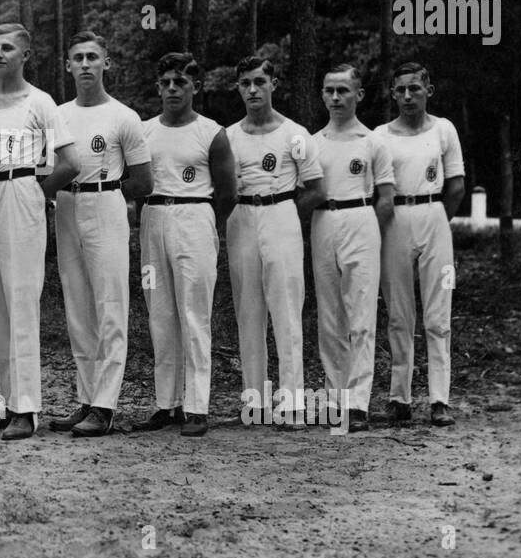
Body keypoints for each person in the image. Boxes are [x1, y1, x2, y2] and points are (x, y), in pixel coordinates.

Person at [0, 23, 79, 441]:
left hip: (21, 191)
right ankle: (10, 401)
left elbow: (69, 163)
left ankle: (27, 409)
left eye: (8, 48)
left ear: (25, 55)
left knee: (22, 300)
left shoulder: (40, 102)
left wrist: (35, 193)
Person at [51, 31, 154, 438]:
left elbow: (143, 180)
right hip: (67, 205)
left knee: (110, 304)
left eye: (94, 56)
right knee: (77, 306)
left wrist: (109, 196)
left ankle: (106, 405)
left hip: (106, 203)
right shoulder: (57, 115)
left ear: (106, 63)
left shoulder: (123, 116)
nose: (86, 64)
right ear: (68, 66)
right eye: (78, 57)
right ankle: (86, 397)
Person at [134, 52, 236, 438]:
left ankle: (197, 405)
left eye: (181, 82)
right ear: (158, 87)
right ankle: (167, 404)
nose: (173, 89)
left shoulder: (212, 132)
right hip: (153, 217)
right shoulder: (143, 131)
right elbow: (137, 180)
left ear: (197, 86)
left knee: (194, 314)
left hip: (195, 217)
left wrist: (204, 224)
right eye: (166, 83)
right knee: (158, 313)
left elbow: (227, 193)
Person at [224, 56, 325, 430]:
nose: (252, 89)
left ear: (273, 85)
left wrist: (284, 214)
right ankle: (255, 402)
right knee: (248, 311)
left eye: (259, 82)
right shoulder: (229, 136)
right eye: (245, 83)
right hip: (241, 217)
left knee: (285, 310)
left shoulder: (295, 134)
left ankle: (293, 402)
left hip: (280, 212)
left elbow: (316, 188)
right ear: (238, 88)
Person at [374, 62, 465, 427]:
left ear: (429, 89)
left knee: (439, 312)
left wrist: (439, 220)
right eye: (400, 90)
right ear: (392, 94)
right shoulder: (380, 135)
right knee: (399, 312)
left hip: (434, 216)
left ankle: (440, 399)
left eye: (414, 88)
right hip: (395, 220)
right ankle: (400, 398)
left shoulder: (443, 129)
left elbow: (456, 184)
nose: (407, 96)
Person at [311, 64, 394, 433]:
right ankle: (335, 399)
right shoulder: (313, 143)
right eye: (329, 90)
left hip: (361, 218)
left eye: (343, 90)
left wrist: (368, 232)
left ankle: (359, 403)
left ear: (358, 95)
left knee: (361, 315)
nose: (335, 98)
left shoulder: (373, 141)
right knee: (330, 318)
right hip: (323, 222)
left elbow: (387, 197)